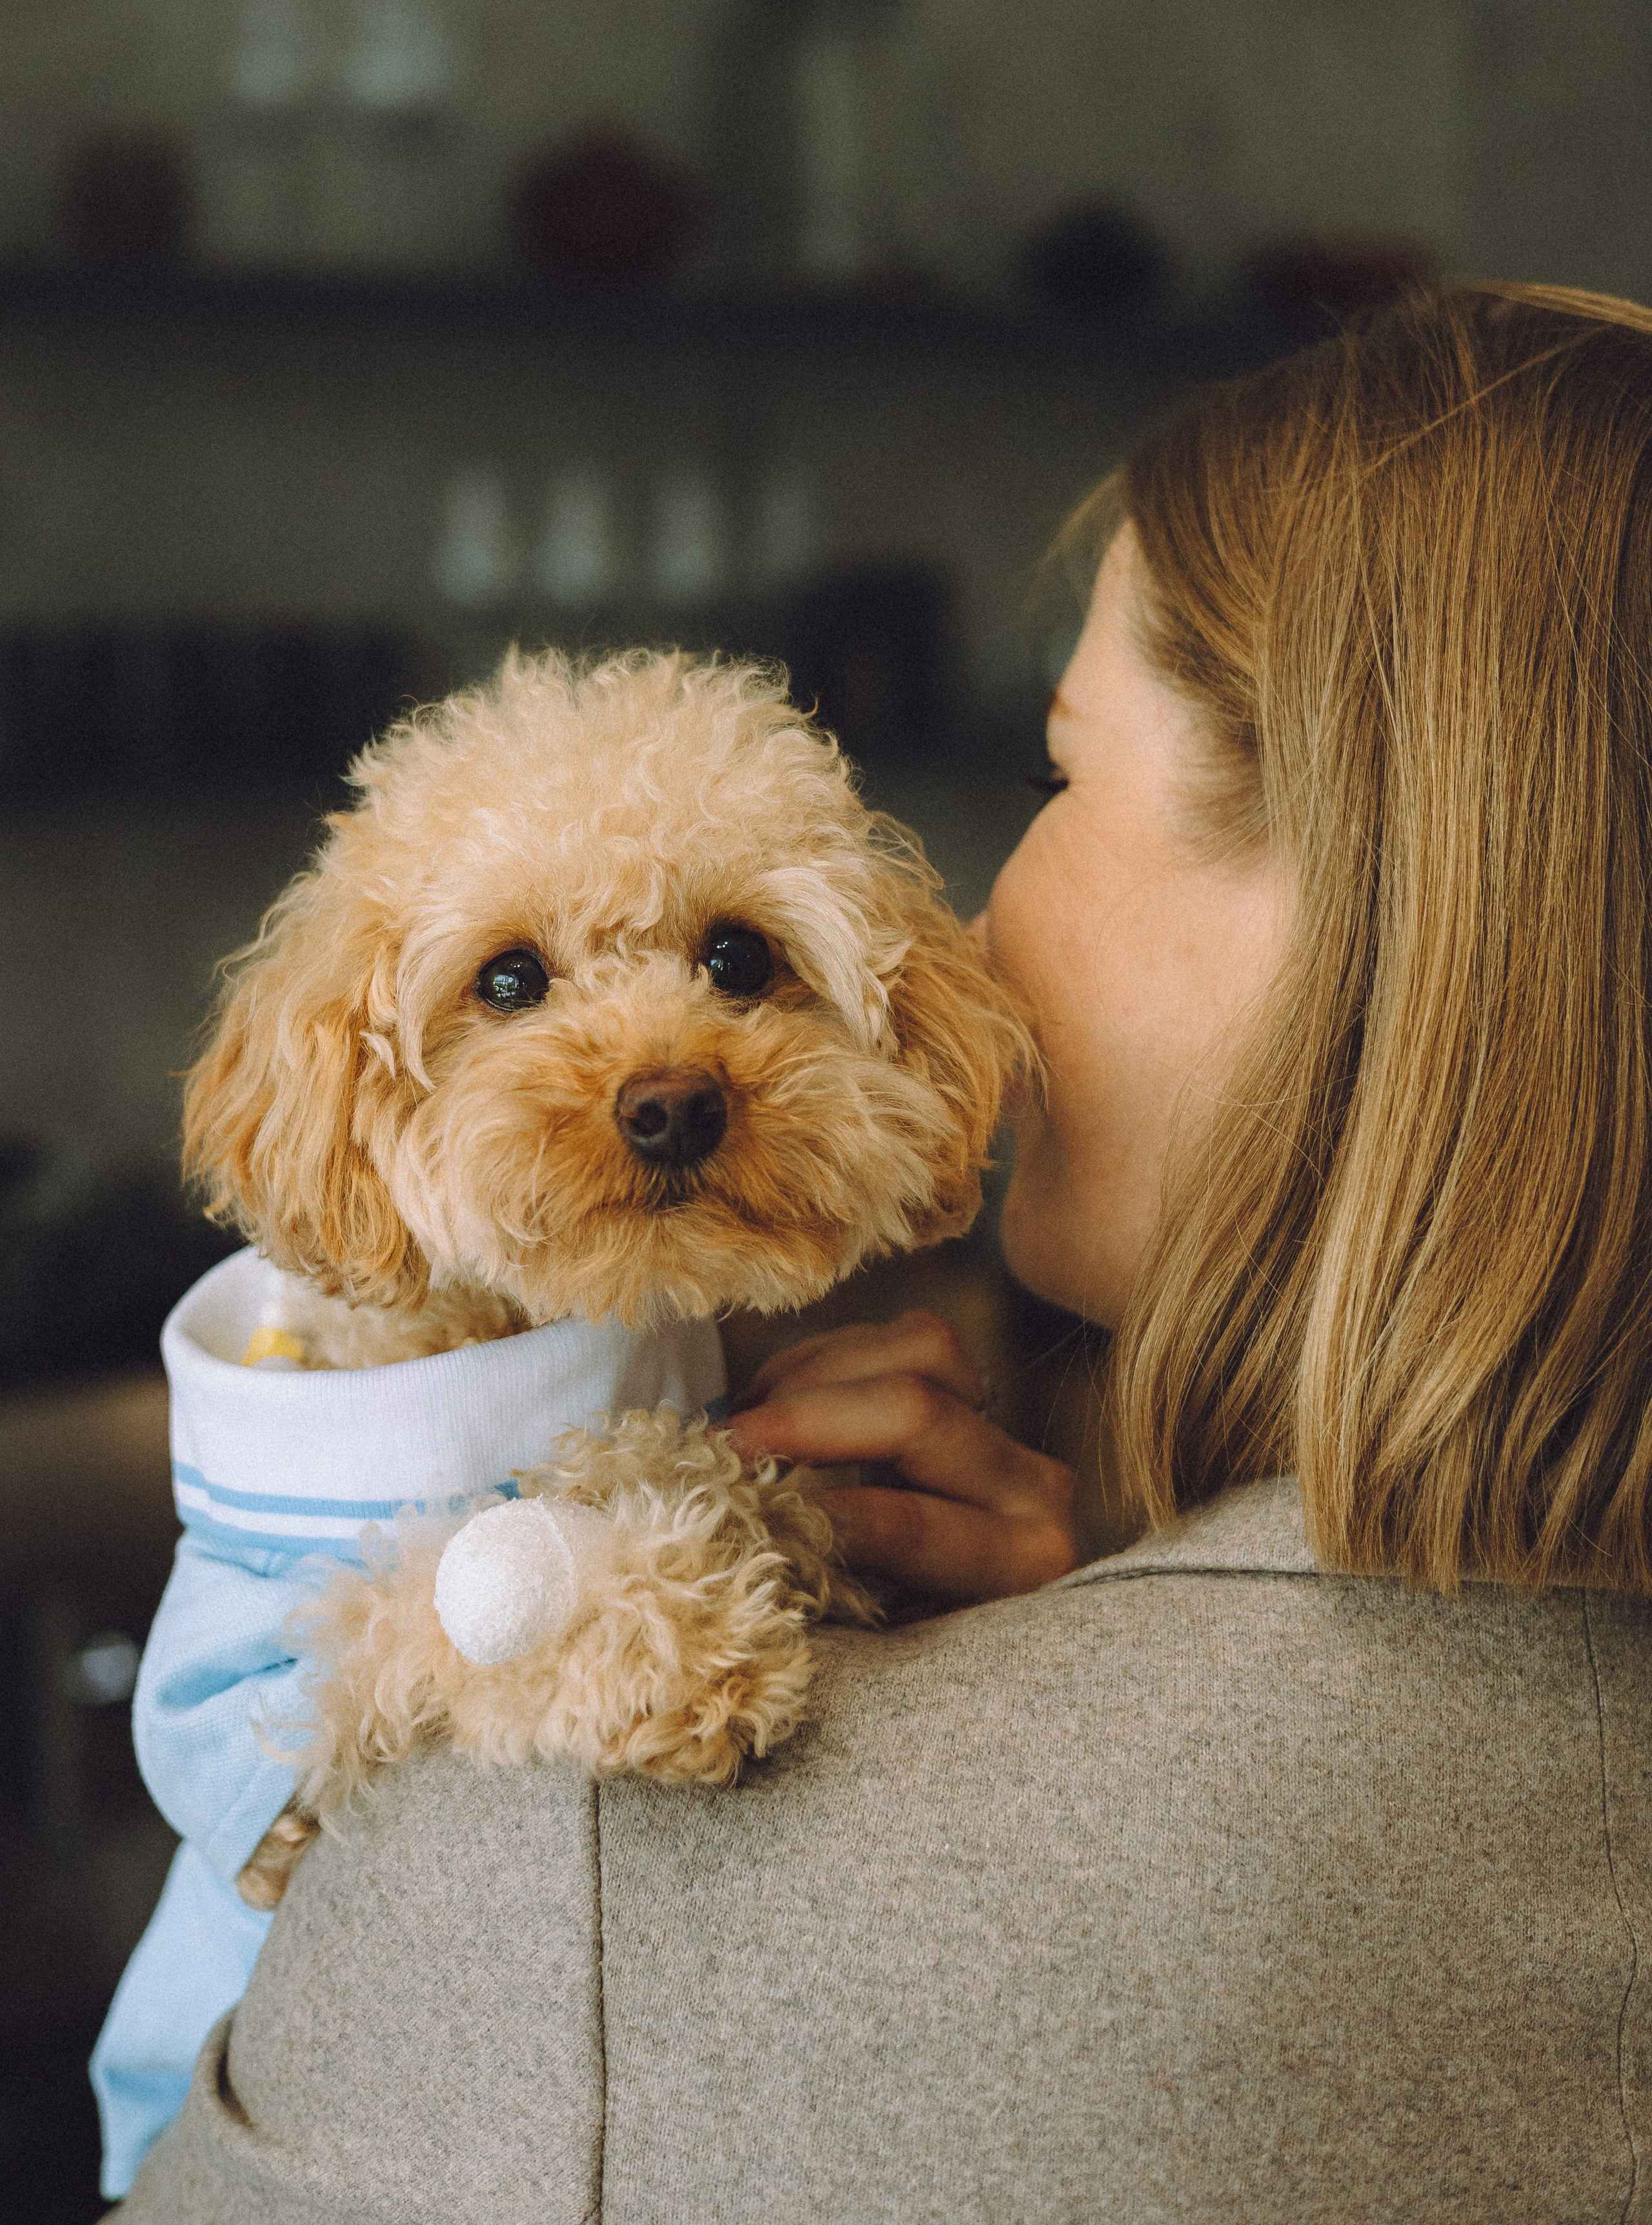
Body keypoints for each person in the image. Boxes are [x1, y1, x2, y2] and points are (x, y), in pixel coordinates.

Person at [121, 284, 1652, 2221]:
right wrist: (1079, 1639)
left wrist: (1043, 1690)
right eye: (516, 984)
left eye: (1056, 777)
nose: (983, 925)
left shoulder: (558, 1881)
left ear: (1384, 903)